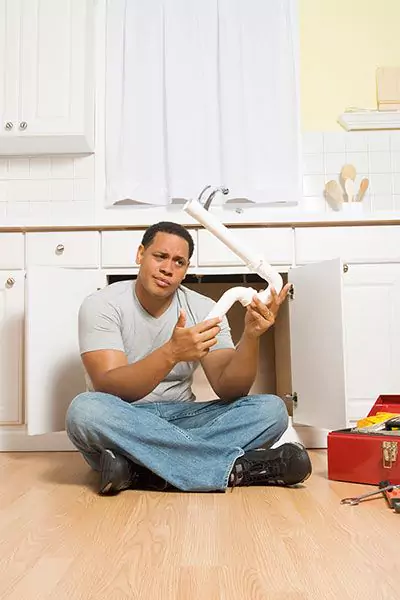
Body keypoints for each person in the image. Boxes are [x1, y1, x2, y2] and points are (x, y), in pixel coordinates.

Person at [66, 221, 312, 495]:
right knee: (85, 411)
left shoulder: (203, 308)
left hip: (182, 418)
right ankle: (235, 468)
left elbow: (230, 387)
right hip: (124, 419)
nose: (167, 268)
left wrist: (252, 336)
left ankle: (138, 470)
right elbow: (109, 386)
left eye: (178, 262)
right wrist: (171, 353)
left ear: (185, 270)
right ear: (140, 255)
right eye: (160, 256)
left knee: (272, 410)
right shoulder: (102, 304)